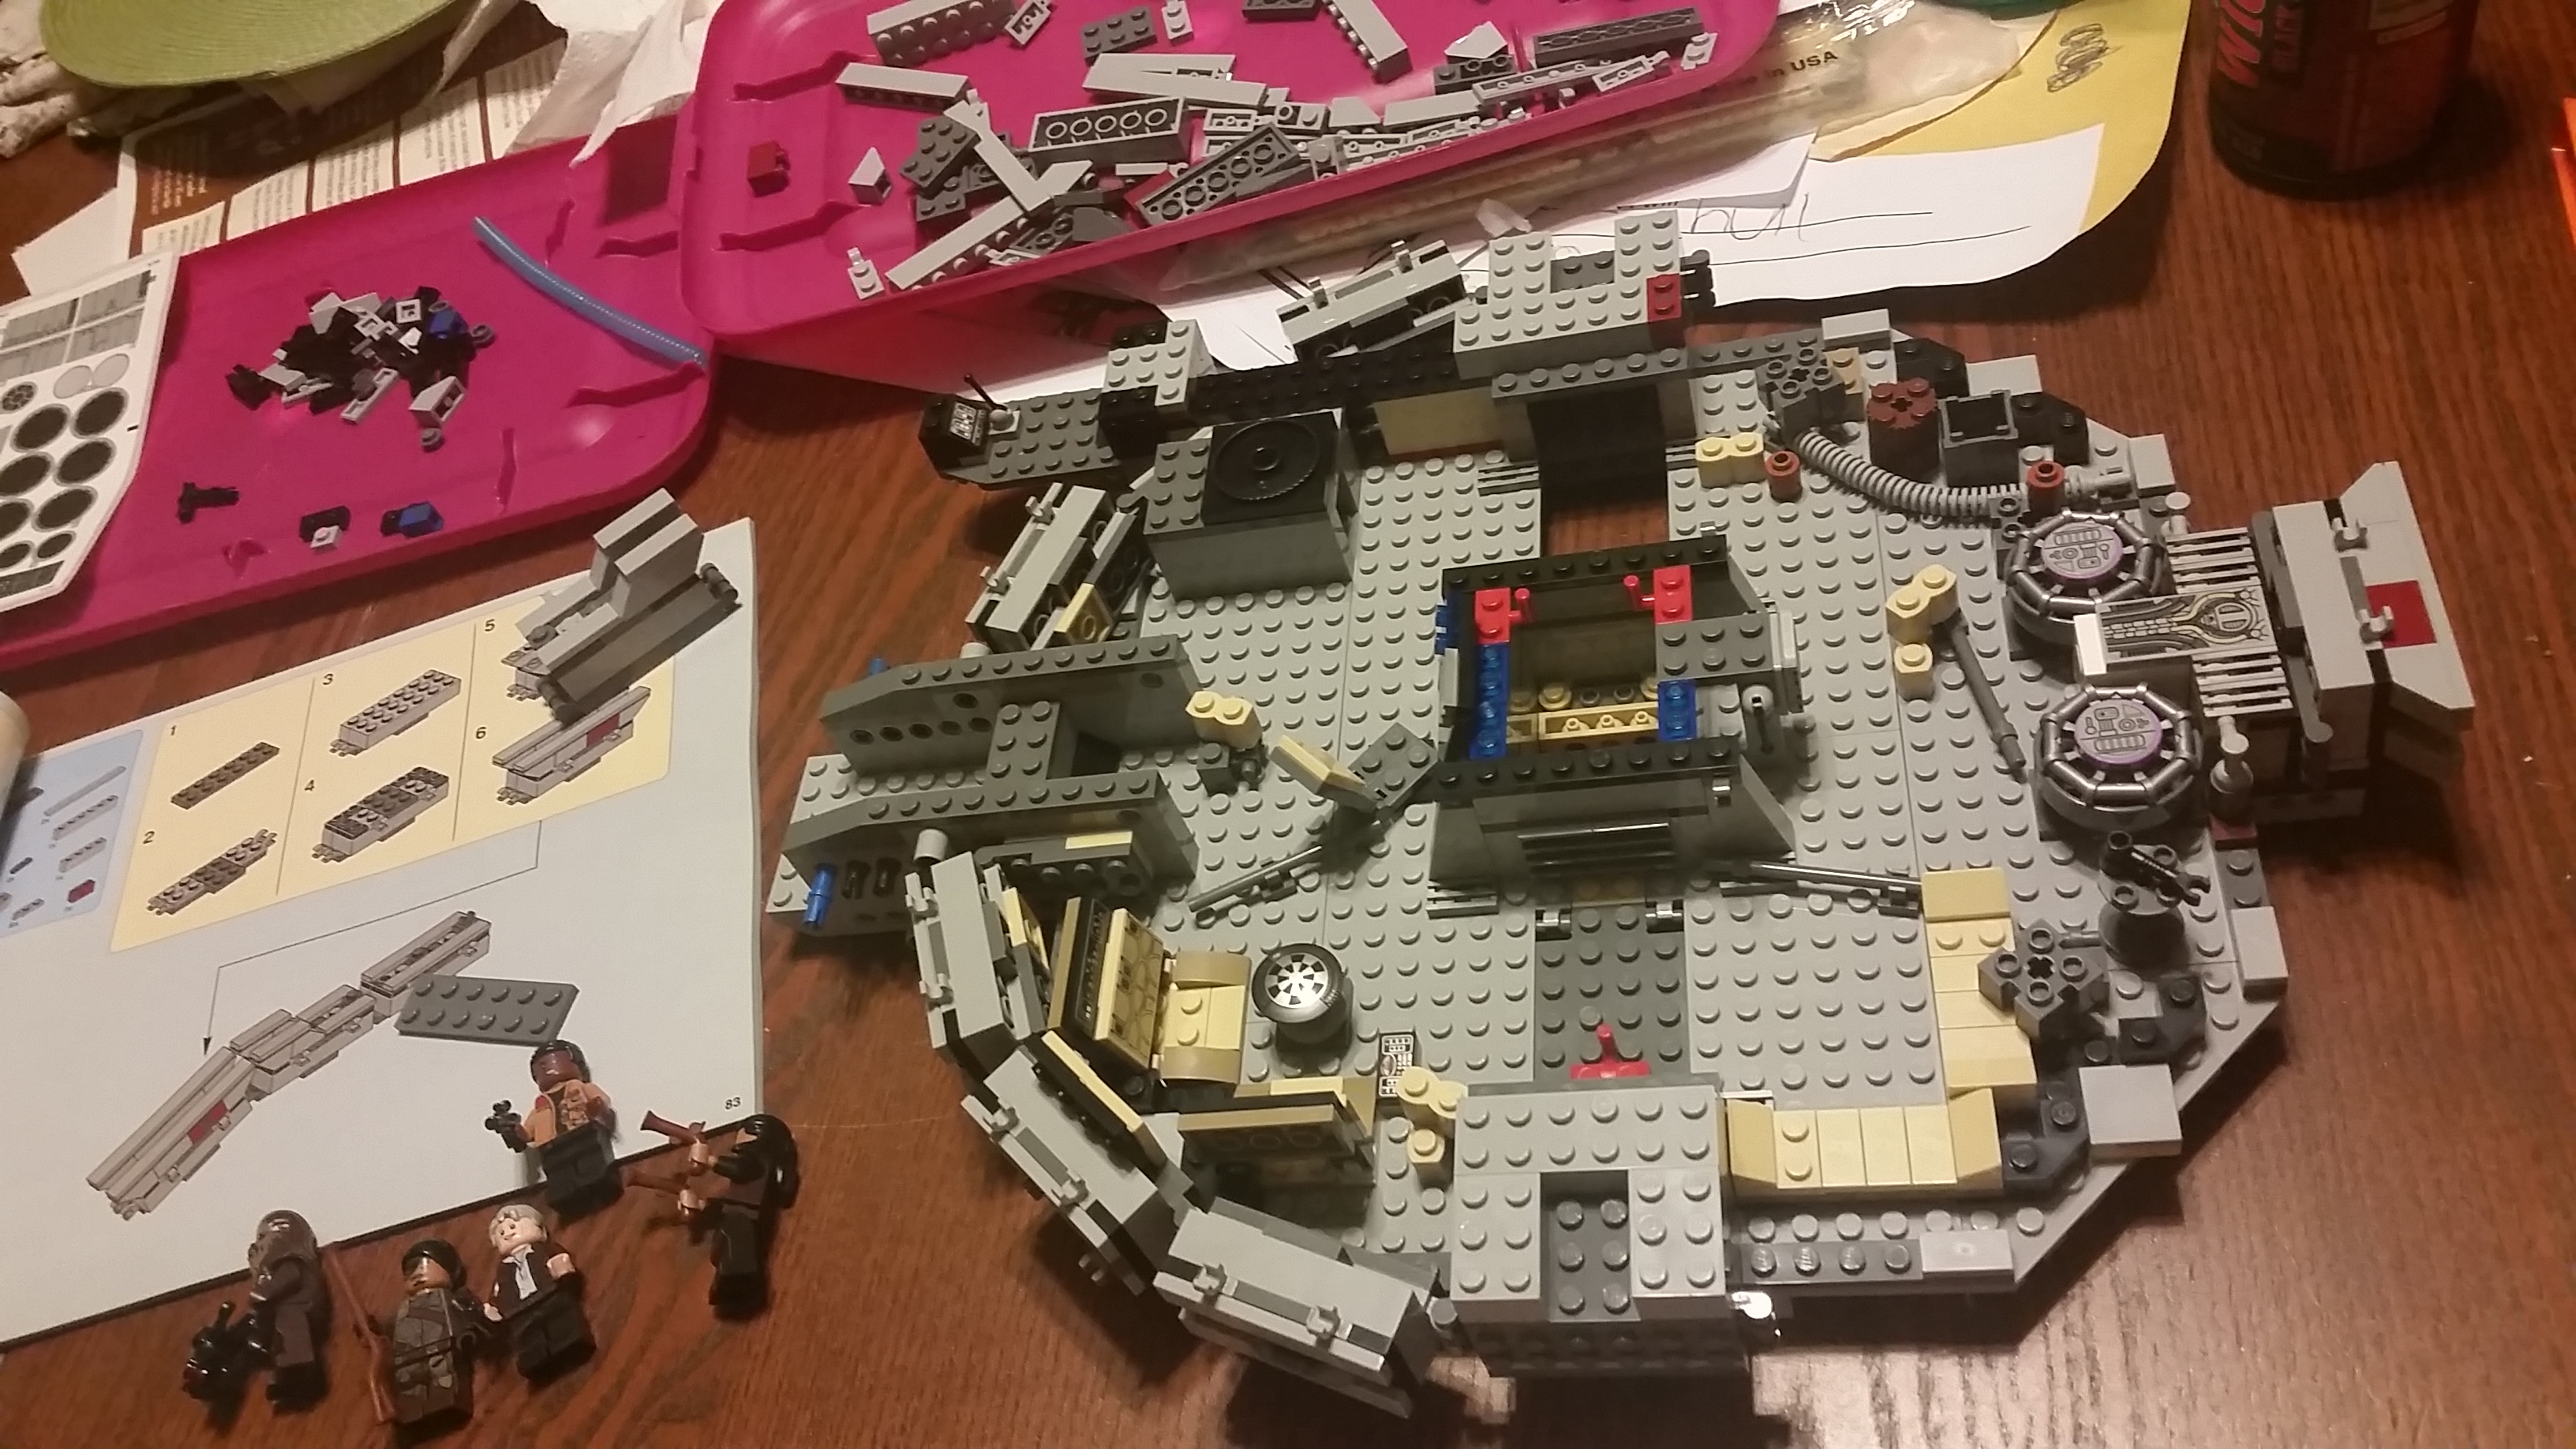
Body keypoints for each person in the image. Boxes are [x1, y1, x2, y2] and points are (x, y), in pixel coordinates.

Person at [485, 1039, 620, 1218]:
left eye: (552, 1060)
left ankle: (602, 1188)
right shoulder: (540, 1104)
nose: (545, 1066)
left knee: (592, 1168)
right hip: (551, 1149)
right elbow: (527, 1134)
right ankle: (570, 1202)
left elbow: (601, 1103)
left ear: (574, 1062)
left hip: (584, 1137)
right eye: (539, 1066)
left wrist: (598, 1110)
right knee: (561, 1180)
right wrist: (512, 1129)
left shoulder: (582, 1088)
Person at [482, 1204, 593, 1381]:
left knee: (562, 1324)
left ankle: (572, 1344)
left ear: (539, 1228)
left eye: (512, 1227)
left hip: (551, 1296)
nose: (508, 1234)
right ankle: (537, 1362)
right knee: (529, 1339)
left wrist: (563, 1270)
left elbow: (560, 1261)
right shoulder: (504, 1269)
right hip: (519, 1312)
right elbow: (499, 1289)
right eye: (501, 1233)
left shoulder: (543, 1250)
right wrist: (494, 1308)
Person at [384, 1239, 481, 1432]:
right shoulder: (404, 1308)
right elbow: (389, 1330)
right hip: (407, 1357)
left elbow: (473, 1316)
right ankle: (414, 1416)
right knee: (410, 1387)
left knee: (444, 1381)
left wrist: (470, 1334)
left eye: (423, 1266)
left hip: (442, 1349)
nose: (416, 1274)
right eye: (409, 1272)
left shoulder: (454, 1299)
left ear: (450, 1270)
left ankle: (448, 1406)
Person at [244, 1209, 328, 1407]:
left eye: (262, 1238)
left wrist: (264, 1292)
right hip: (281, 1317)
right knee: (280, 1349)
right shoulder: (273, 1267)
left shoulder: (289, 1262)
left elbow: (287, 1279)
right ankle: (285, 1380)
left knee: (292, 1348)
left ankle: (298, 1376)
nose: (257, 1245)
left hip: (293, 1315)